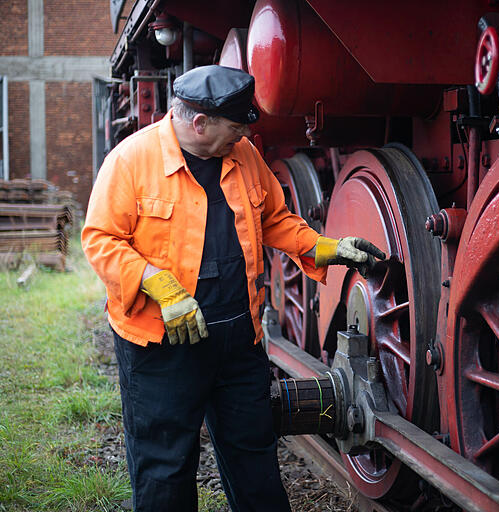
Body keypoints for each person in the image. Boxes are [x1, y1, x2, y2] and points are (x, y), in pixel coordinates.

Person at [82, 65, 385, 512]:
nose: (242, 137)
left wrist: (327, 247)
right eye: (235, 127)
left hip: (238, 342)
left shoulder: (243, 156)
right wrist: (156, 283)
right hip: (163, 345)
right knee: (164, 471)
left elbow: (274, 220)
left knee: (255, 463)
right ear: (199, 123)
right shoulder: (131, 161)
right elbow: (99, 239)